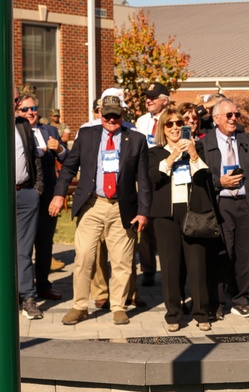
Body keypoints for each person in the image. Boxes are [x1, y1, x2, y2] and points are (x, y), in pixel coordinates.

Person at [50, 94, 152, 325]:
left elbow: (144, 181)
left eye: (116, 115)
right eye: (107, 115)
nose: (112, 119)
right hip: (92, 204)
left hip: (122, 208)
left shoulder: (136, 139)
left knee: (122, 261)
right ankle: (79, 306)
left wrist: (143, 211)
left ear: (123, 115)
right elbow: (68, 168)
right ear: (100, 115)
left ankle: (118, 306)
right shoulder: (86, 135)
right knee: (84, 256)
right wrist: (58, 195)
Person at [148, 106, 215, 331]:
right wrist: (172, 156)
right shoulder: (155, 153)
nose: (175, 127)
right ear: (163, 129)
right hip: (165, 215)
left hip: (192, 212)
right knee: (170, 266)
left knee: (197, 264)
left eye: (179, 123)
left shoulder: (197, 148)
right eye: (170, 124)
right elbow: (154, 178)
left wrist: (193, 155)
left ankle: (201, 313)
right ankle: (174, 314)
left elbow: (206, 178)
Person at [202, 98, 249, 318]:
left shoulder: (246, 141)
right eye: (228, 115)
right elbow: (199, 178)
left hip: (245, 204)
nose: (233, 119)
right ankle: (217, 303)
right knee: (222, 254)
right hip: (221, 204)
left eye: (235, 115)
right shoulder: (205, 143)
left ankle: (241, 299)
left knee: (246, 255)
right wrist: (220, 182)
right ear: (216, 118)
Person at [19, 94, 67, 302]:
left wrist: (61, 148)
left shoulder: (50, 131)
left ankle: (43, 286)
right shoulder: (16, 131)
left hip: (48, 196)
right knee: (23, 246)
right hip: (25, 195)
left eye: (34, 108)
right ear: (18, 112)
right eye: (26, 109)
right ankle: (22, 290)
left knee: (45, 243)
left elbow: (68, 160)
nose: (31, 112)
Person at [134, 83, 171, 287]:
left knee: (165, 223)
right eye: (147, 97)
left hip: (168, 174)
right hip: (145, 176)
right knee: (145, 223)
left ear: (165, 100)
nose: (148, 100)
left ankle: (169, 267)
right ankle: (148, 268)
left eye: (153, 97)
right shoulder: (141, 121)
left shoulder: (172, 120)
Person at [14, 96, 45, 319]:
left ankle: (28, 297)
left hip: (26, 194)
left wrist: (37, 189)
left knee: (24, 250)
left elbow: (34, 158)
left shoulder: (23, 126)